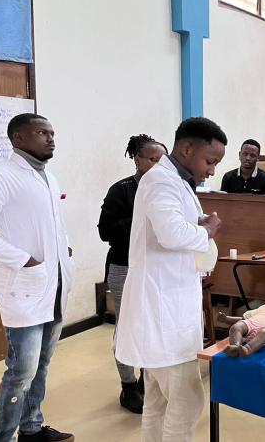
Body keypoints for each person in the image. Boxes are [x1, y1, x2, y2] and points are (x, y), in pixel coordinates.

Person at [115, 117, 227, 442]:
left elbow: (175, 227)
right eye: (210, 161)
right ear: (187, 149)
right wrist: (206, 231)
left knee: (158, 401)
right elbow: (171, 233)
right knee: (186, 400)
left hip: (168, 306)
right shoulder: (161, 181)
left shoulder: (175, 181)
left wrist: (198, 225)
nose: (212, 171)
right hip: (163, 312)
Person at [0, 113, 74, 442]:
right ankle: (2, 438)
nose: (50, 138)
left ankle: (31, 428)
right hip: (25, 289)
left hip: (54, 285)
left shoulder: (49, 177)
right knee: (20, 372)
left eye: (52, 132)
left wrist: (64, 249)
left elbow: (51, 225)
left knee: (41, 365)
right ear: (18, 138)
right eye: (42, 132)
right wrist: (24, 259)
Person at [98, 134, 167, 414]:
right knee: (127, 327)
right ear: (137, 160)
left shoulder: (167, 189)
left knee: (152, 325)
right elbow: (105, 231)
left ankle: (144, 381)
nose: (158, 165)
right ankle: (127, 386)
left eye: (162, 160)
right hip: (124, 266)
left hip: (156, 269)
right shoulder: (121, 190)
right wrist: (141, 220)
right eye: (152, 159)